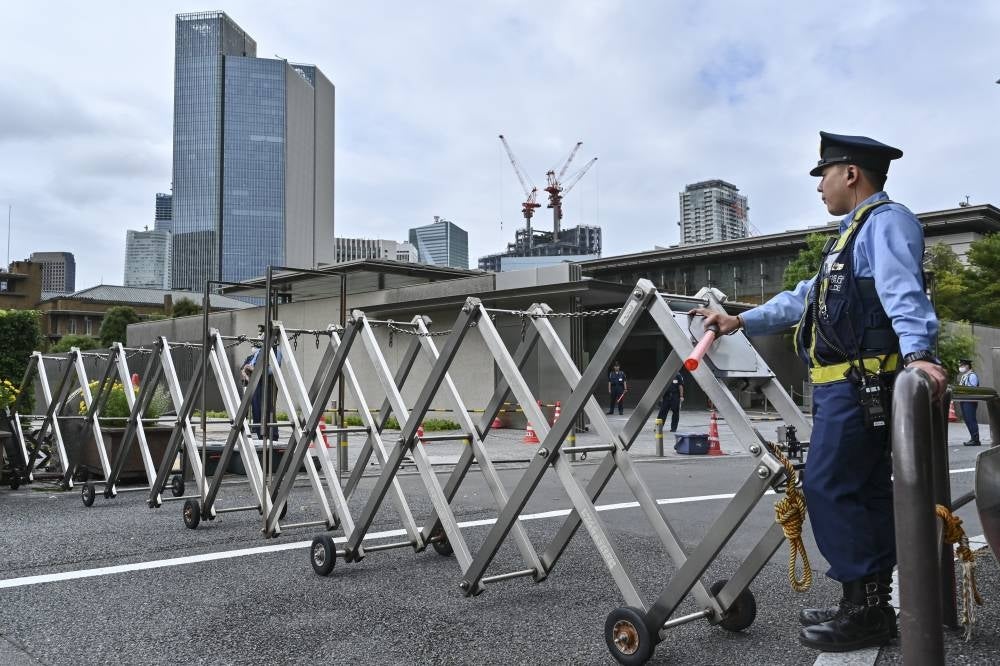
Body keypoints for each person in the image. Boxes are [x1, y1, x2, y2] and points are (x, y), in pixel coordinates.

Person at [689, 131, 948, 653]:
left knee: (830, 487)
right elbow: (803, 298)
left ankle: (864, 609)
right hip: (849, 389)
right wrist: (739, 319)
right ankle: (869, 603)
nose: (820, 186)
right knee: (865, 492)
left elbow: (902, 290)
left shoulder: (885, 222)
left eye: (824, 174)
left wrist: (920, 353)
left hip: (862, 387)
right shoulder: (848, 238)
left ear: (850, 173)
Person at [241, 339, 283, 441]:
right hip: (256, 383)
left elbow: (272, 370)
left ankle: (273, 436)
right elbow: (246, 368)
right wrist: (248, 373)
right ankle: (260, 435)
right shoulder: (258, 353)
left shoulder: (276, 351)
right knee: (257, 410)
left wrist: (254, 370)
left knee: (268, 410)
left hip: (268, 384)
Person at [958, 358, 981, 446]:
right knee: (967, 420)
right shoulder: (964, 376)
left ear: (967, 366)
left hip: (970, 401)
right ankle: (973, 438)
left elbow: (972, 389)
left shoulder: (972, 375)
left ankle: (976, 440)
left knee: (971, 419)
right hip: (964, 400)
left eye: (962, 365)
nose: (960, 367)